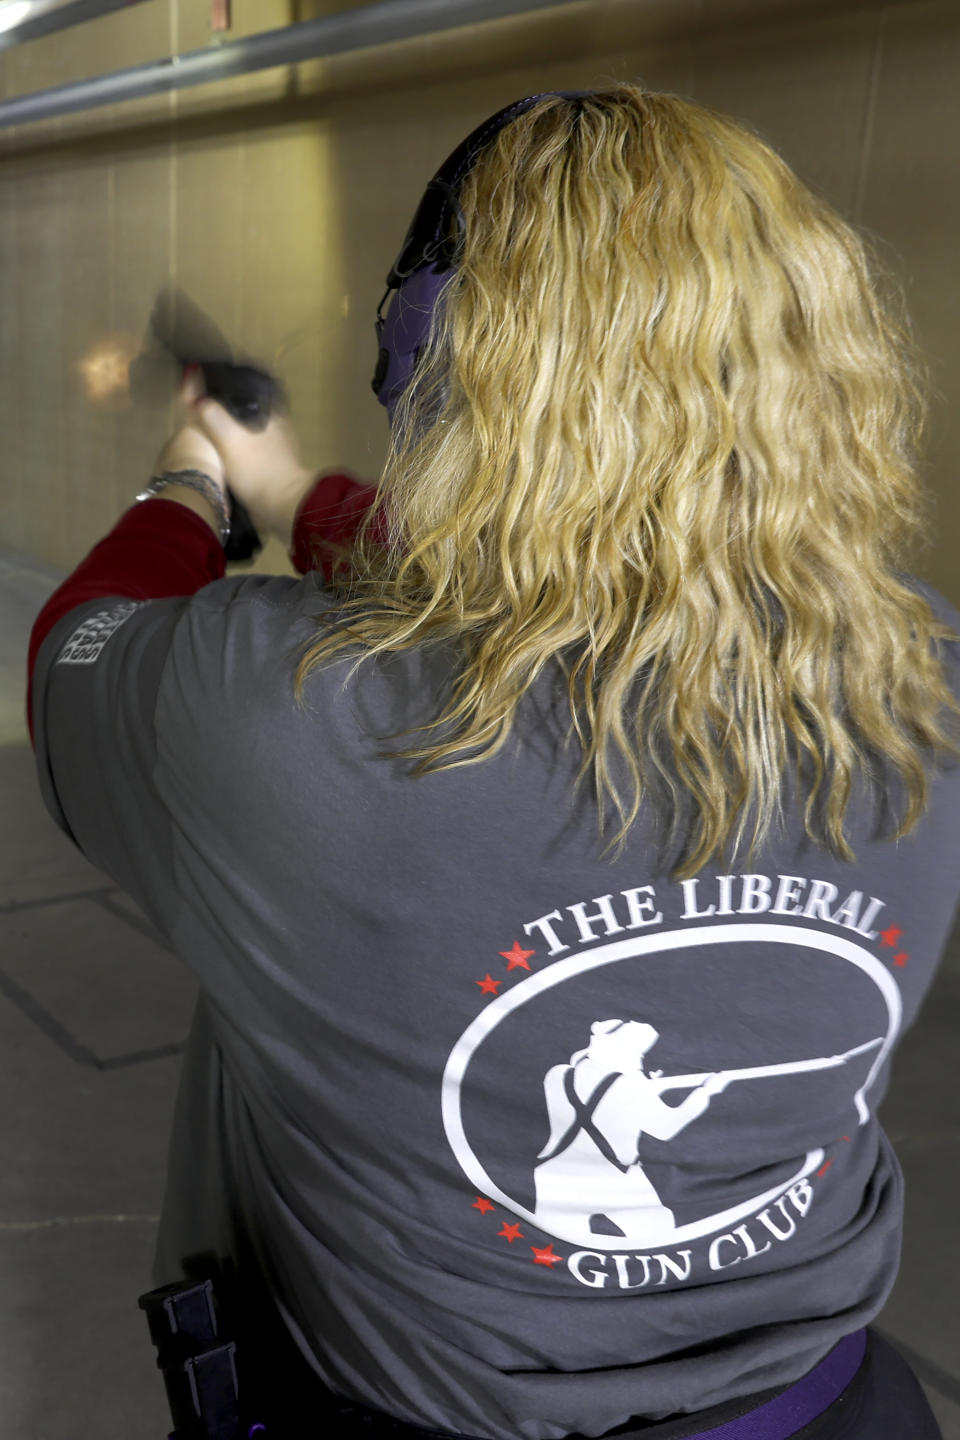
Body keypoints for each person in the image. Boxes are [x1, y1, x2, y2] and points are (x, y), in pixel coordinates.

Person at [26, 86, 958, 1440]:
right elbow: (561, 590)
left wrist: (190, 490)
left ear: (432, 366)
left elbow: (73, 661)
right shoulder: (924, 668)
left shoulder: (275, 712)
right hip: (834, 1413)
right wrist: (299, 498)